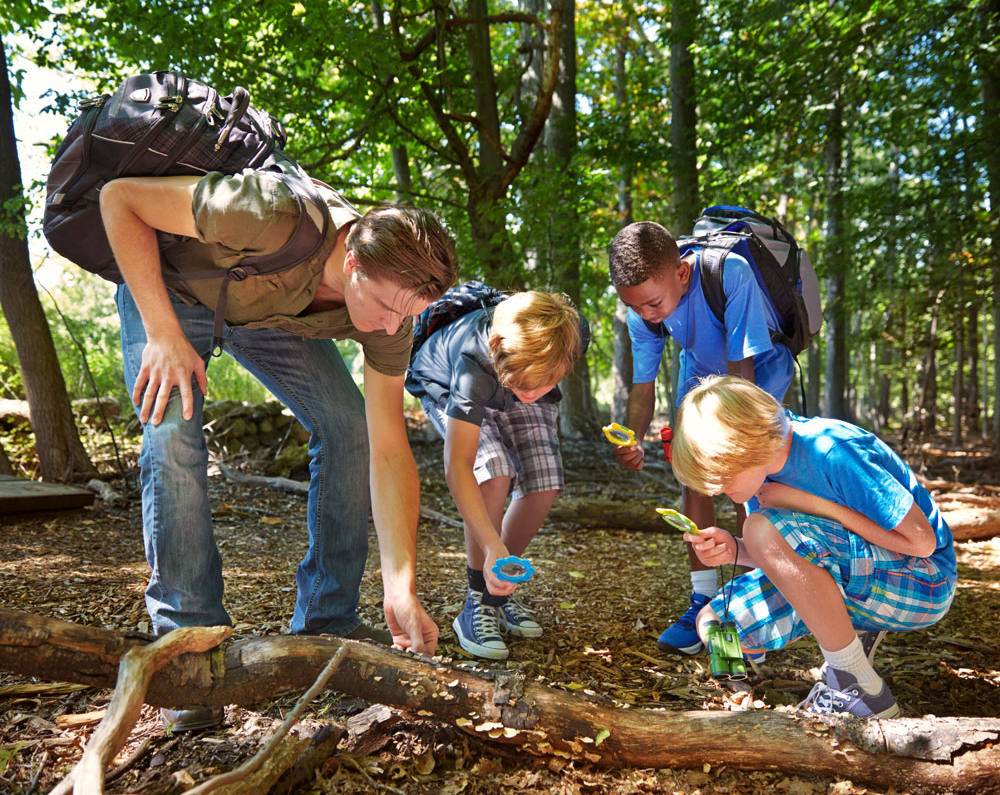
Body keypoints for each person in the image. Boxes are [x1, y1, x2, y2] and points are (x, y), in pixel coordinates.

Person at [99, 166, 457, 729]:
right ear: (354, 263)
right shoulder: (266, 210)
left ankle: (327, 618)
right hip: (175, 293)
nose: (392, 330)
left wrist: (400, 588)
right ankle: (188, 650)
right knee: (173, 436)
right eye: (387, 309)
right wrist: (163, 333)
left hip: (272, 316)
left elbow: (389, 450)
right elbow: (120, 199)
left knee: (349, 428)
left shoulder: (394, 312)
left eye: (406, 317)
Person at [671, 375, 956, 718]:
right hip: (858, 572)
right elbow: (792, 556)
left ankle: (856, 684)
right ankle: (852, 636)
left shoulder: (832, 449)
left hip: (925, 580)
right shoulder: (759, 476)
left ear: (748, 445)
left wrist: (810, 503)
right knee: (714, 621)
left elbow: (921, 543)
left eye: (722, 474)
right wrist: (736, 550)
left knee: (760, 527)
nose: (716, 489)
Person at [608, 221, 795, 656]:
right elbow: (643, 385)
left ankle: (752, 598)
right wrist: (632, 437)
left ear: (682, 273)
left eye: (653, 304)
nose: (647, 315)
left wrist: (732, 443)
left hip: (756, 373)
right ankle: (703, 599)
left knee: (745, 477)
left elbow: (742, 372)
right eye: (635, 308)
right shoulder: (644, 308)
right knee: (693, 477)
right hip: (697, 373)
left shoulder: (729, 274)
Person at [405, 289, 588, 660]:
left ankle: (498, 588)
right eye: (527, 387)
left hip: (515, 373)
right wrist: (491, 545)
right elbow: (459, 466)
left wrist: (533, 386)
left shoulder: (570, 335)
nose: (534, 394)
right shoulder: (473, 365)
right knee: (494, 471)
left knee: (545, 479)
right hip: (451, 382)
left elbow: (534, 386)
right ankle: (477, 601)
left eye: (545, 384)